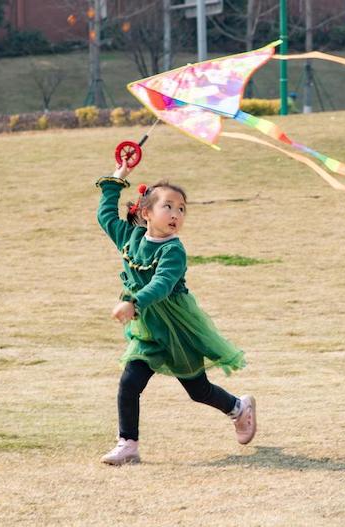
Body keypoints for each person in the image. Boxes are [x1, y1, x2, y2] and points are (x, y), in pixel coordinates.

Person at [96, 164, 256, 465]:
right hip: (148, 327)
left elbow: (162, 285)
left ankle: (238, 407)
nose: (175, 214)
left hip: (177, 328)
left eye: (181, 209)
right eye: (167, 206)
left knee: (198, 390)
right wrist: (117, 178)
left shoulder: (174, 251)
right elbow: (105, 216)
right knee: (130, 382)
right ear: (146, 212)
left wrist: (134, 301)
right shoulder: (129, 238)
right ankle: (128, 443)